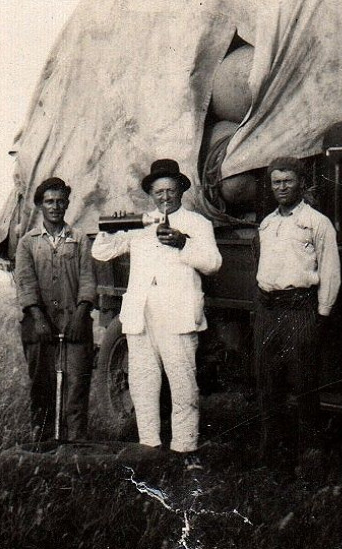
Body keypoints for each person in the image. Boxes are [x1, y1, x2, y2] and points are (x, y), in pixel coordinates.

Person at [91, 158, 221, 454]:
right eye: (159, 192)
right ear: (151, 194)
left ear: (180, 192)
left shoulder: (197, 224)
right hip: (141, 319)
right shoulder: (142, 223)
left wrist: (182, 244)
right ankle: (148, 448)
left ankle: (184, 451)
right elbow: (101, 251)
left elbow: (213, 263)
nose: (164, 197)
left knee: (183, 386)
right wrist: (113, 227)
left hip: (177, 318)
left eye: (170, 191)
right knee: (143, 385)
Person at [253, 156, 340, 466]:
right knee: (268, 383)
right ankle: (272, 454)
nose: (282, 187)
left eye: (287, 181)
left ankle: (309, 454)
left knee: (303, 382)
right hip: (268, 310)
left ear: (301, 183)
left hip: (300, 310)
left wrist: (322, 313)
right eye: (276, 182)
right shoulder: (267, 224)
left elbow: (330, 271)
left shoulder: (317, 222)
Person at [13, 177, 98, 442]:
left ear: (67, 204)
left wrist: (81, 315)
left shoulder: (80, 239)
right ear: (40, 205)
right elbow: (26, 283)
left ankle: (75, 449)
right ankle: (44, 447)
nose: (55, 206)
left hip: (75, 325)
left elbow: (87, 280)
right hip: (40, 327)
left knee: (76, 389)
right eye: (49, 201)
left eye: (61, 201)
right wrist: (38, 318)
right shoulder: (27, 242)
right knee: (43, 388)